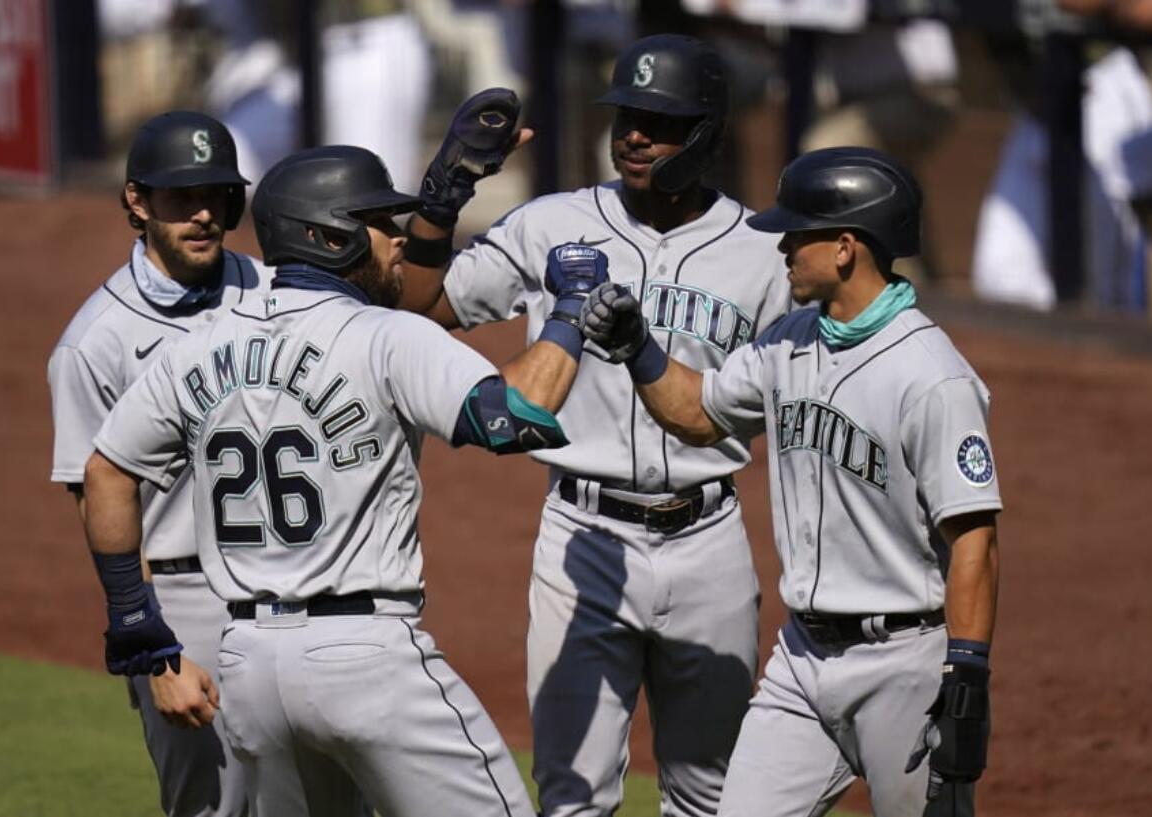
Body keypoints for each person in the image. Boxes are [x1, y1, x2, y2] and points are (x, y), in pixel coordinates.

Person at [78, 144, 608, 817]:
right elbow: (515, 416)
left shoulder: (197, 347)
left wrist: (135, 620)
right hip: (366, 658)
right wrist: (571, 310)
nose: (398, 245)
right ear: (331, 235)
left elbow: (106, 470)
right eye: (383, 225)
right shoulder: (383, 335)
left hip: (249, 667)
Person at [399, 34, 793, 817]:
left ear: (706, 133)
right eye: (626, 118)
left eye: (659, 121)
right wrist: (441, 201)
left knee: (710, 795)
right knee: (572, 794)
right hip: (582, 540)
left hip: (708, 542)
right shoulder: (550, 224)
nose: (634, 135)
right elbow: (423, 305)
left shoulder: (766, 253)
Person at [580, 146, 1002, 817]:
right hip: (801, 662)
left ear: (844, 248)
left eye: (795, 235)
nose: (781, 249)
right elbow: (698, 412)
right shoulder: (789, 340)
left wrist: (969, 670)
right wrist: (640, 348)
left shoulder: (931, 376)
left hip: (904, 663)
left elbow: (973, 535)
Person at [48, 110, 266, 817]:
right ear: (136, 202)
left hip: (298, 584)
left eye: (218, 196)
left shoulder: (271, 293)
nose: (204, 215)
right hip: (184, 600)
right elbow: (97, 499)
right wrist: (155, 650)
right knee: (214, 808)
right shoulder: (95, 344)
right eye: (181, 198)